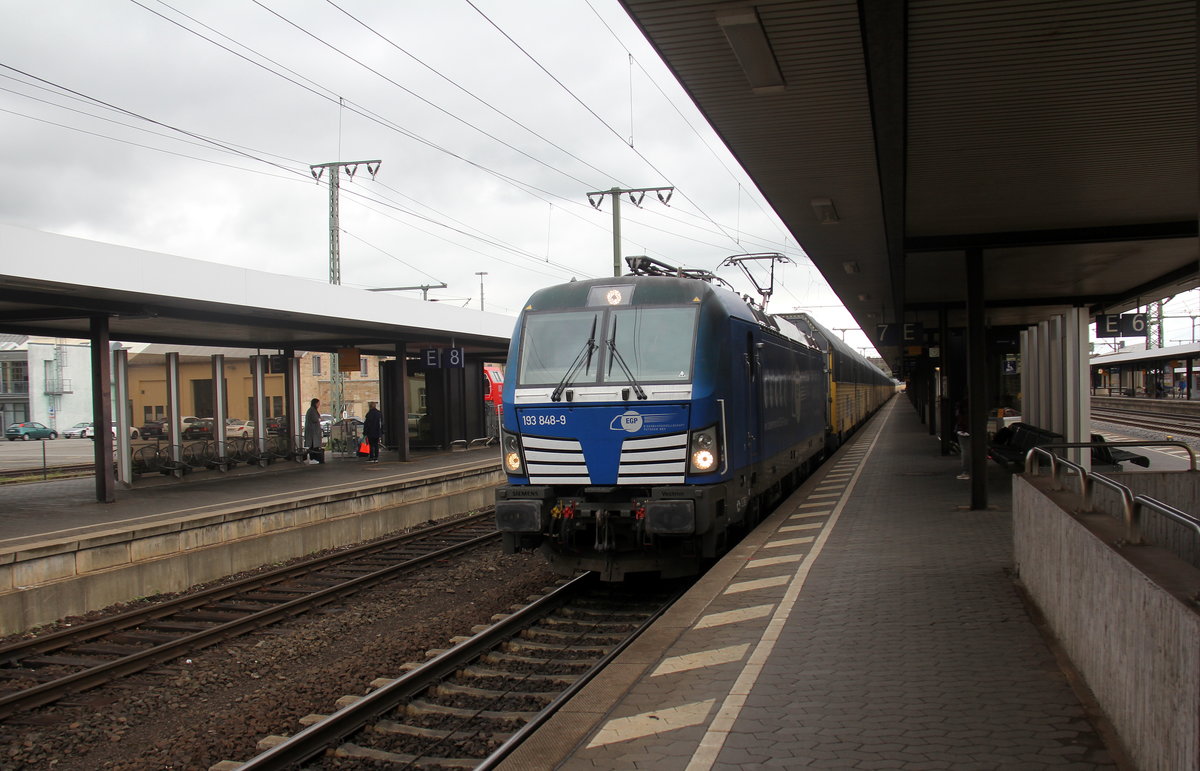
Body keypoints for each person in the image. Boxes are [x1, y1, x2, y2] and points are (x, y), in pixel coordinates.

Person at [304, 398, 324, 464]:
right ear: (315, 403)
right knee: (313, 446)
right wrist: (319, 419)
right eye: (318, 403)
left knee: (314, 446)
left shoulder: (312, 410)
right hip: (312, 432)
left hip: (313, 432)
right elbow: (315, 419)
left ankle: (314, 459)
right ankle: (312, 459)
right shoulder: (312, 411)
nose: (319, 405)